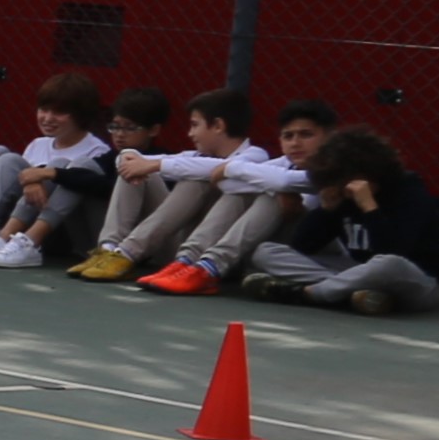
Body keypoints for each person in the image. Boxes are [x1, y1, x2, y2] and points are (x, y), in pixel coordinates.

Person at [140, 97, 336, 295]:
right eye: (288, 136)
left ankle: (210, 268)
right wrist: (235, 173)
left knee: (276, 194)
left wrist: (232, 167)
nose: (295, 143)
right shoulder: (284, 162)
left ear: (328, 137)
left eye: (306, 135)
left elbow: (284, 182)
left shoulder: (335, 168)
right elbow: (231, 185)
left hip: (315, 252)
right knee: (244, 191)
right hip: (267, 244)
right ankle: (187, 262)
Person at [246, 128, 439, 313]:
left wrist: (369, 206)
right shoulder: (342, 195)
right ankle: (355, 294)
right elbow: (303, 246)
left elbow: (393, 250)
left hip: (419, 280)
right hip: (358, 271)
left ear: (368, 172)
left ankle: (308, 294)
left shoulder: (408, 190)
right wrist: (326, 210)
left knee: (388, 263)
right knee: (266, 252)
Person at [78, 89, 257, 279]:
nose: (190, 133)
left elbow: (220, 168)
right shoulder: (195, 156)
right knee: (133, 169)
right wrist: (131, 161)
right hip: (173, 245)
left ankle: (129, 252)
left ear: (218, 126)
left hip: (211, 253)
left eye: (195, 125)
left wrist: (153, 164)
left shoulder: (255, 156)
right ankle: (109, 249)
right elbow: (134, 159)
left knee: (195, 180)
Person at [0, 71, 112, 268]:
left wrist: (41, 175)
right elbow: (26, 181)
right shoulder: (37, 144)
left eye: (58, 112)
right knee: (8, 159)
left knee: (60, 165)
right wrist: (32, 179)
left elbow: (85, 189)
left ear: (81, 114)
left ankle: (23, 241)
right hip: (24, 225)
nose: (47, 118)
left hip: (64, 230)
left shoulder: (98, 151)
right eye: (43, 109)